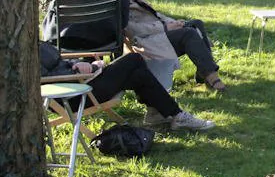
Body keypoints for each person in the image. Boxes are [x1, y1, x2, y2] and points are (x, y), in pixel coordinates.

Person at [40, 41, 214, 131]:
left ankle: (167, 114)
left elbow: (60, 61)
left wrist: (80, 64)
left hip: (82, 83)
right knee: (134, 59)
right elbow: (46, 78)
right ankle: (168, 114)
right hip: (74, 96)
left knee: (138, 75)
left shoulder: (34, 41)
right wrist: (89, 67)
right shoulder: (26, 52)